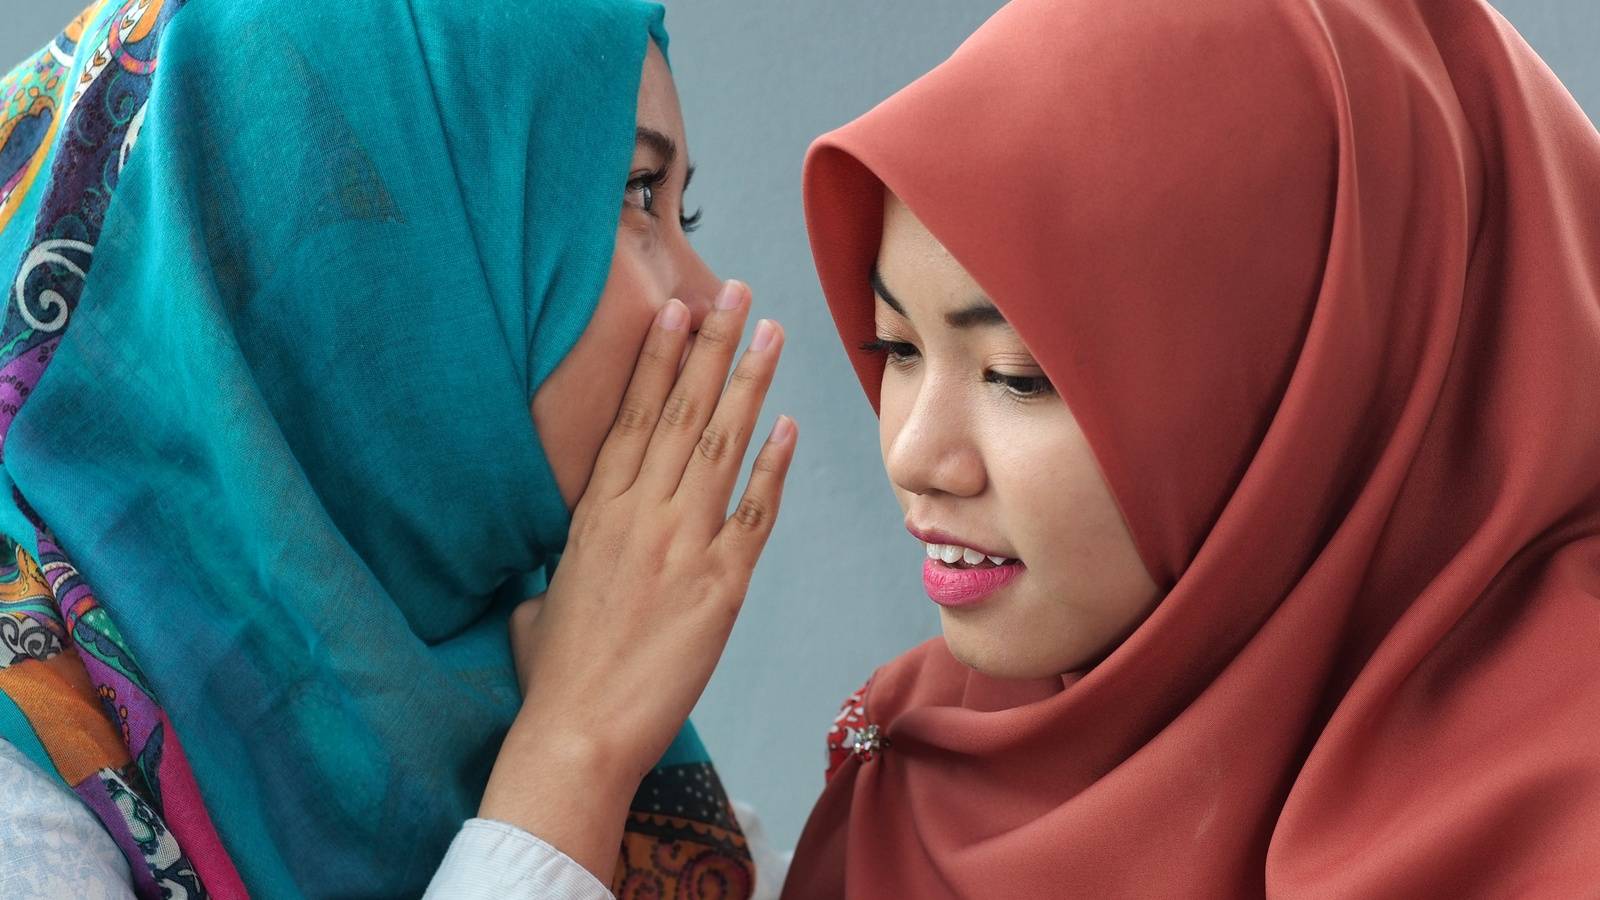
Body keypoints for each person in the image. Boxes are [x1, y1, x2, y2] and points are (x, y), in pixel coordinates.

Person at [784, 0, 1600, 895]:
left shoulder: (1562, 818)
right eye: (897, 348)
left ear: (1317, 379)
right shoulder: (915, 757)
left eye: (1019, 375)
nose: (912, 455)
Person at [0, 0, 794, 896]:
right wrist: (574, 756)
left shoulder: (518, 638)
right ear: (370, 252)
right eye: (639, 193)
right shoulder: (22, 776)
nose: (709, 297)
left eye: (684, 209)